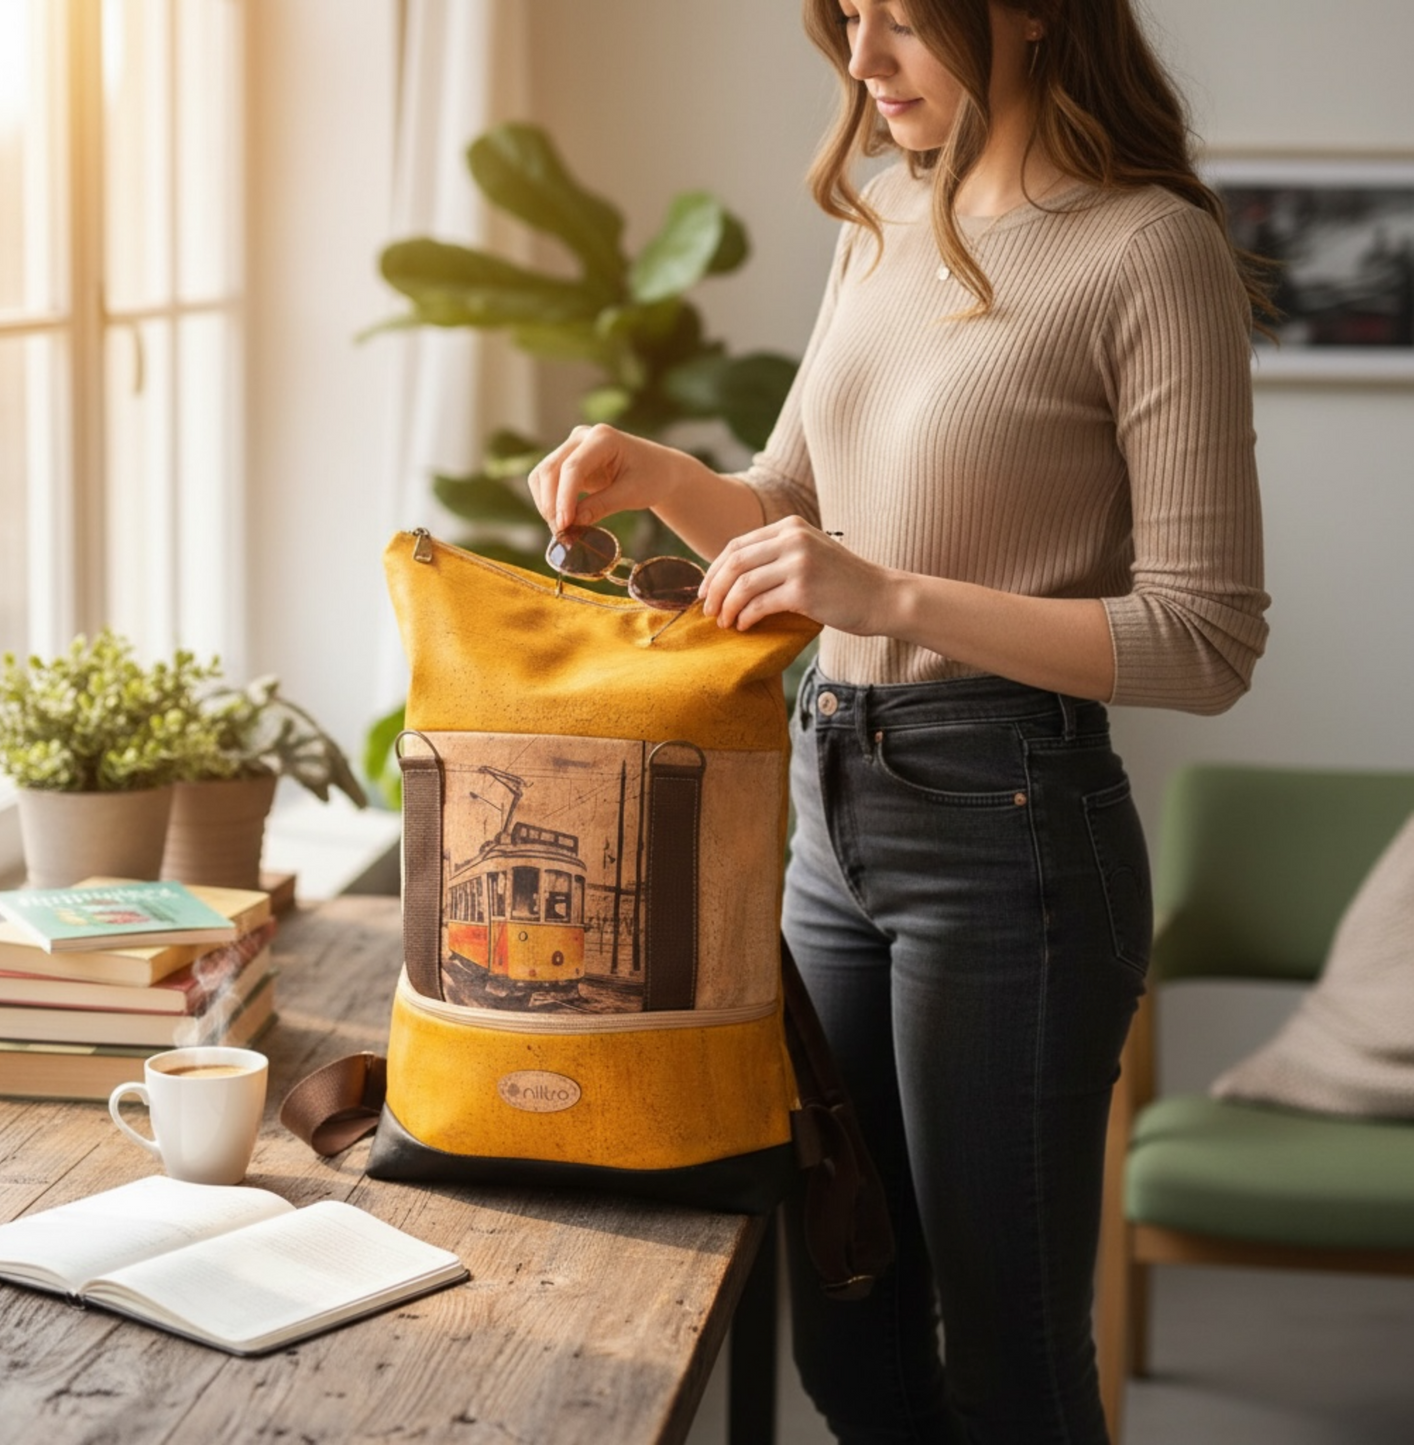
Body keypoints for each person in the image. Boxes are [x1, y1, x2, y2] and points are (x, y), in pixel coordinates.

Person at [530, 0, 1271, 1439]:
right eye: (846, 18)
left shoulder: (1145, 249)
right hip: (830, 823)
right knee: (849, 1339)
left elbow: (1206, 637)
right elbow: (792, 508)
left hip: (1014, 838)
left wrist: (899, 595)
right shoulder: (880, 210)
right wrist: (666, 477)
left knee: (1012, 1370)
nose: (862, 65)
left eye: (901, 20)